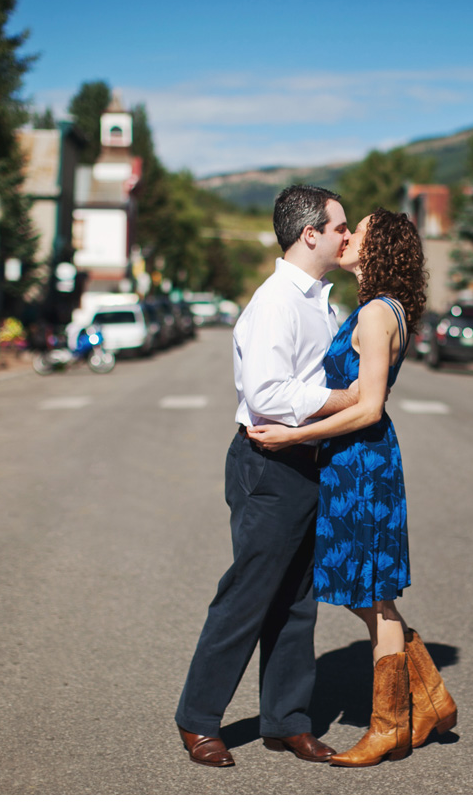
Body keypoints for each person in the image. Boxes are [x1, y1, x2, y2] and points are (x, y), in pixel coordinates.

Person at [248, 208, 457, 768]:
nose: (346, 237)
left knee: (372, 595)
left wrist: (296, 433)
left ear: (378, 245)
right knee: (366, 593)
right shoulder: (380, 309)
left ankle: (388, 727)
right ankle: (431, 699)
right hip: (353, 462)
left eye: (356, 230)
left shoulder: (375, 314)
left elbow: (368, 407)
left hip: (362, 465)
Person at [174, 185, 360, 768]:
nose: (346, 236)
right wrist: (343, 399)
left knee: (297, 600)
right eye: (339, 227)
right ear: (311, 234)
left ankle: (286, 722)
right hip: (268, 462)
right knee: (248, 596)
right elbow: (267, 393)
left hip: (306, 460)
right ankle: (198, 719)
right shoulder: (276, 300)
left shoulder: (318, 299)